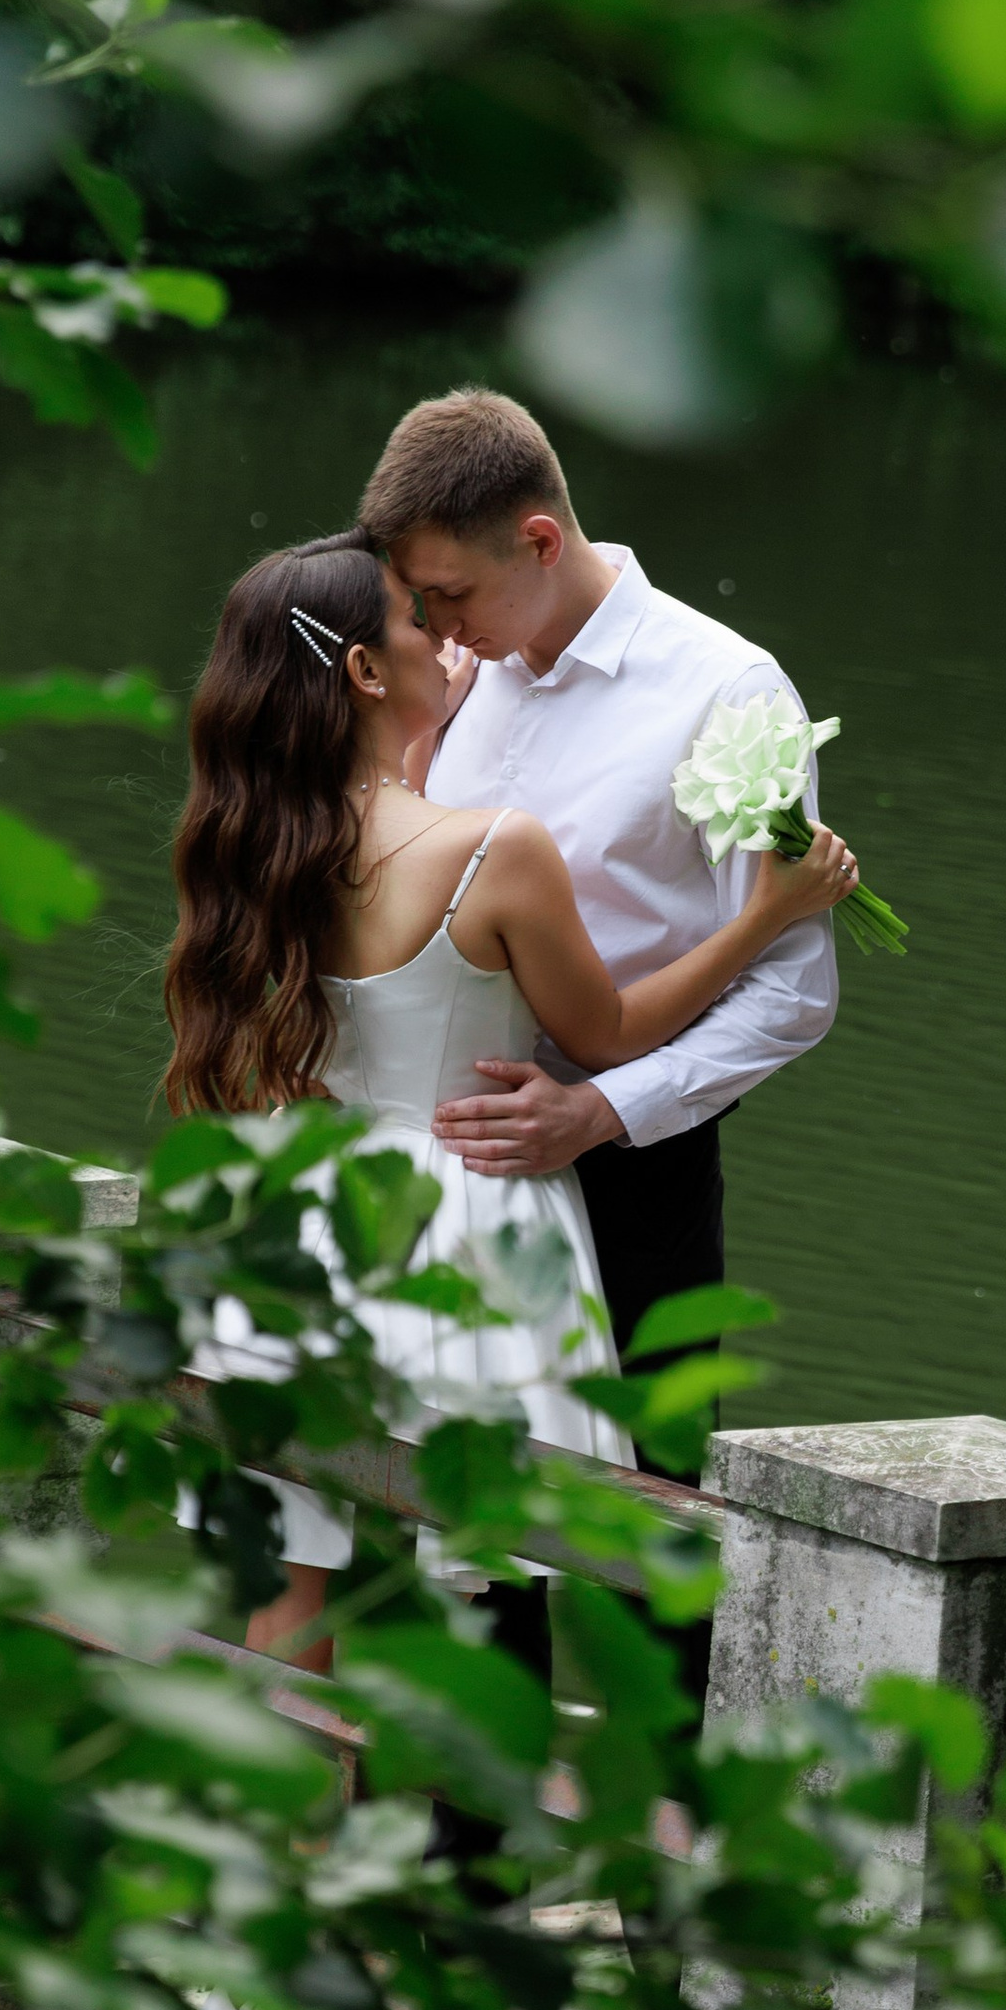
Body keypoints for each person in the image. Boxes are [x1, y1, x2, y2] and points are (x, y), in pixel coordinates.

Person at [160, 520, 853, 1669]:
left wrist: (417, 742)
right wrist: (763, 917)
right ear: (364, 672)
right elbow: (610, 1030)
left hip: (300, 1212)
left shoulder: (256, 841)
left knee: (296, 1584)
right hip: (462, 1213)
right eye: (414, 623)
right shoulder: (492, 849)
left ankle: (266, 1835)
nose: (446, 640)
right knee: (463, 1599)